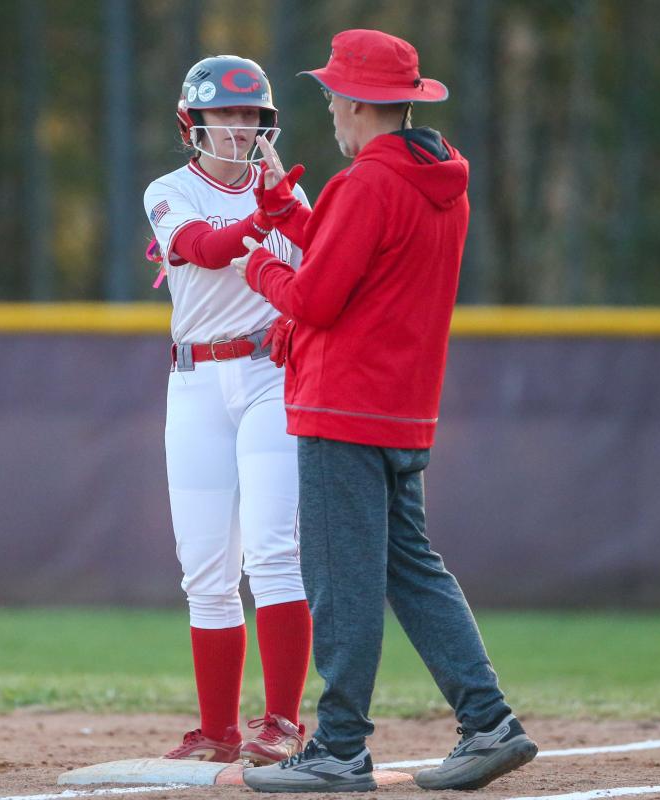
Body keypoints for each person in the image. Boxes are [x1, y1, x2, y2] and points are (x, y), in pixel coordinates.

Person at [230, 30, 539, 792]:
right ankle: (489, 720)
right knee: (413, 570)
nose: (330, 107)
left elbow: (315, 296)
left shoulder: (365, 182)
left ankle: (339, 747)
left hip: (341, 408)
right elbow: (350, 253)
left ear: (360, 104)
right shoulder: (437, 178)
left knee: (340, 581)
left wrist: (257, 265)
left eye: (334, 95)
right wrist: (284, 210)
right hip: (401, 411)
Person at [142, 54, 312, 766]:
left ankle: (282, 723)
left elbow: (322, 265)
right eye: (226, 113)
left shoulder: (288, 194)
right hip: (196, 380)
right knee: (205, 566)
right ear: (194, 121)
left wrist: (289, 212)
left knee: (273, 551)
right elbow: (205, 250)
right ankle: (217, 731)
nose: (240, 126)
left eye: (251, 114)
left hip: (270, 373)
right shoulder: (170, 189)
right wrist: (266, 213)